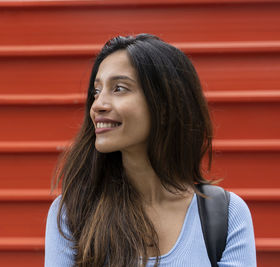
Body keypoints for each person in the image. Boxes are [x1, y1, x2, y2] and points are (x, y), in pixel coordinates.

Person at [44, 34, 256, 267]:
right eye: (96, 91)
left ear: (164, 107)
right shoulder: (73, 213)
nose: (98, 105)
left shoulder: (227, 215)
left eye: (119, 88)